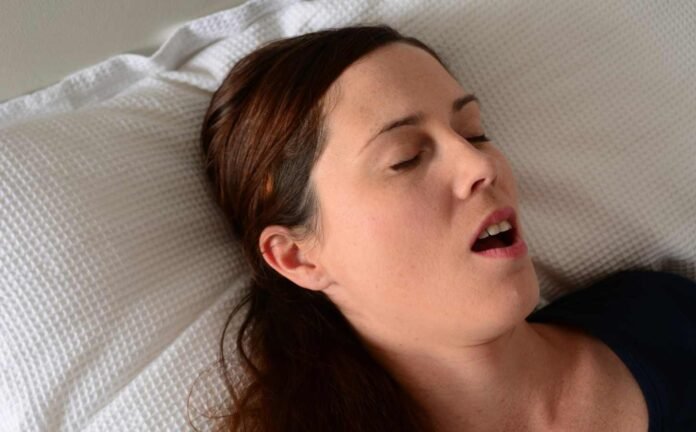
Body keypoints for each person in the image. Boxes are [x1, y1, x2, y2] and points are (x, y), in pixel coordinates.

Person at [196, 24, 696, 432]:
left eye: (474, 132)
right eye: (406, 159)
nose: (479, 164)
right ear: (298, 258)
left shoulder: (663, 315)